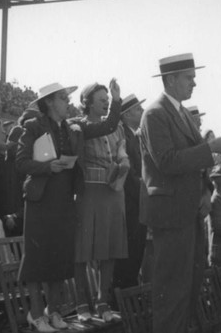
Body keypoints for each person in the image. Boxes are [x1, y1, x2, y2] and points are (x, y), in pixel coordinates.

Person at [16, 81, 121, 332]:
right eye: (63, 98)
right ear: (50, 102)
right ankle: (35, 315)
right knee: (37, 258)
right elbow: (20, 162)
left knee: (60, 255)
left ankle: (52, 312)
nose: (68, 102)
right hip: (41, 198)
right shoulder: (33, 126)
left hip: (64, 197)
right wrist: (46, 167)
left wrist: (115, 101)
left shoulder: (75, 127)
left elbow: (108, 125)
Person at [140, 53, 221, 333]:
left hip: (189, 211)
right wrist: (210, 149)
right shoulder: (155, 113)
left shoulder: (181, 113)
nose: (194, 83)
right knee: (172, 289)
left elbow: (194, 162)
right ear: (171, 79)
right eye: (189, 78)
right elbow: (166, 160)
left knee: (189, 285)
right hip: (171, 214)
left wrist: (205, 191)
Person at [72, 83, 129, 323]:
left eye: (108, 98)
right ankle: (81, 303)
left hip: (113, 191)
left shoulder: (118, 128)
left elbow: (122, 152)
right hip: (89, 192)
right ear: (87, 102)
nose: (106, 102)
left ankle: (102, 301)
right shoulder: (77, 125)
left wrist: (123, 163)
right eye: (101, 99)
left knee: (110, 250)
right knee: (82, 250)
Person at [112, 94, 148, 295]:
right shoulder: (123, 135)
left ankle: (130, 292)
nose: (142, 112)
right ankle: (122, 295)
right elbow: (129, 172)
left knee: (136, 250)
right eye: (137, 110)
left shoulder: (133, 134)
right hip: (130, 201)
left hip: (138, 199)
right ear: (125, 115)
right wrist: (143, 190)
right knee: (129, 252)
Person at [3, 108, 41, 236]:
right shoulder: (18, 130)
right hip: (13, 170)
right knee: (14, 200)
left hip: (23, 171)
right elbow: (10, 150)